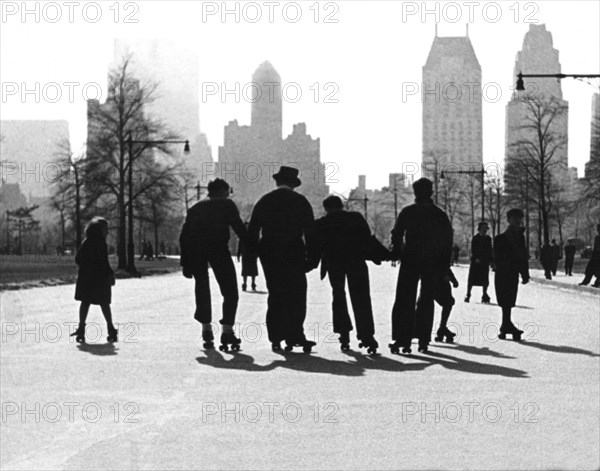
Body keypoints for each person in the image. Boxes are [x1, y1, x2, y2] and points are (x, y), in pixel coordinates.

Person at [248, 166, 319, 352]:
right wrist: (312, 258)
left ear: (277, 182)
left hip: (269, 251)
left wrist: (252, 255)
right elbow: (310, 231)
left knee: (276, 293)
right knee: (296, 293)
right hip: (293, 251)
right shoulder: (300, 201)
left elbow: (253, 229)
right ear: (294, 184)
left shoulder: (265, 201)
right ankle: (295, 334)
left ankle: (276, 336)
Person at [179, 178, 247, 351]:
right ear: (222, 191)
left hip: (196, 251)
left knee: (202, 289)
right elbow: (238, 228)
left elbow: (184, 236)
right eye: (227, 191)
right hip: (218, 249)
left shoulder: (195, 208)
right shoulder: (227, 205)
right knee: (230, 291)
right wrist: (254, 245)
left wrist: (185, 263)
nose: (228, 194)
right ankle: (227, 331)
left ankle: (206, 330)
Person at [389, 178, 453, 354]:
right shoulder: (439, 214)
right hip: (432, 262)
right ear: (431, 192)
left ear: (415, 192)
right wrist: (444, 266)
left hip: (410, 259)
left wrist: (397, 252)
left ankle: (402, 337)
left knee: (404, 299)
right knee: (426, 299)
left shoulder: (408, 212)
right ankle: (423, 339)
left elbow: (397, 234)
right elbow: (447, 241)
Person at [315, 195, 379, 354]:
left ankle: (344, 334)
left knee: (338, 296)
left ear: (326, 208)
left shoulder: (322, 223)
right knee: (361, 298)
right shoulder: (356, 218)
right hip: (356, 262)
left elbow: (317, 246)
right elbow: (367, 238)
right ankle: (367, 336)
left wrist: (309, 264)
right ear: (342, 206)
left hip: (334, 264)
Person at [71, 217, 118, 343]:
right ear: (99, 230)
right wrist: (110, 274)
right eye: (105, 229)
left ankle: (81, 328)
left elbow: (78, 259)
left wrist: (87, 265)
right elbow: (104, 262)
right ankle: (111, 329)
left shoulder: (86, 241)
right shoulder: (101, 243)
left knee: (85, 302)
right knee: (104, 303)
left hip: (86, 278)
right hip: (99, 278)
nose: (107, 232)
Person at [494, 208, 530, 340]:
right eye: (515, 218)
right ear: (508, 220)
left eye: (519, 218)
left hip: (511, 272)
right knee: (506, 299)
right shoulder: (501, 238)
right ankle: (506, 324)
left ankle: (506, 324)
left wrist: (524, 273)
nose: (518, 221)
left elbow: (523, 256)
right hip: (504, 272)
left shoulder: (520, 236)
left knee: (509, 299)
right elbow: (498, 258)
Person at [415, 267, 459, 345]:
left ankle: (441, 328)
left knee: (423, 305)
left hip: (430, 279)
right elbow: (444, 262)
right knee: (447, 303)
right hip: (437, 280)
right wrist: (451, 278)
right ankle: (441, 328)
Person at [465, 222, 494, 303]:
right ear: (479, 229)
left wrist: (491, 261)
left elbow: (490, 250)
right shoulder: (475, 238)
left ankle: (484, 295)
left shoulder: (488, 239)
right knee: (472, 279)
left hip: (485, 262)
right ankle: (468, 294)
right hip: (476, 262)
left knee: (485, 280)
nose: (484, 230)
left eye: (486, 228)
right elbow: (473, 249)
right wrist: (475, 258)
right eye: (483, 228)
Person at [237, 222, 259, 291]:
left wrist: (257, 253)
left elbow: (256, 245)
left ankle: (253, 283)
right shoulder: (243, 235)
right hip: (245, 255)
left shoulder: (253, 235)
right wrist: (238, 254)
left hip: (252, 255)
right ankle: (245, 284)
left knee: (253, 270)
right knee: (245, 271)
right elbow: (240, 245)